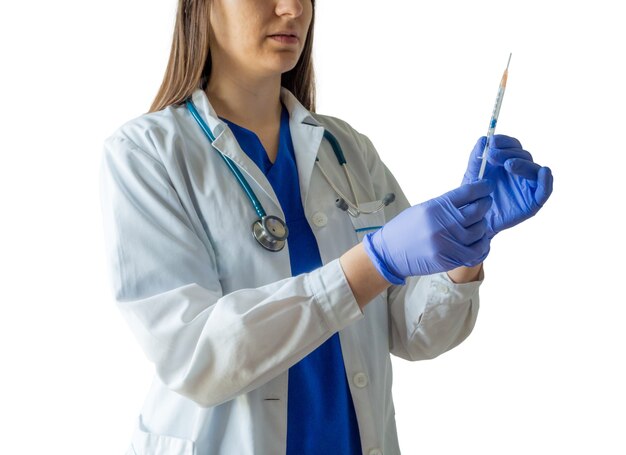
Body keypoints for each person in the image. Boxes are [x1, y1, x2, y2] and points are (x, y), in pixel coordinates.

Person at [99, 0, 553, 454]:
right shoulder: (147, 153)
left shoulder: (346, 148)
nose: (293, 7)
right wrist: (373, 263)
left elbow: (415, 334)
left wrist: (465, 251)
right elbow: (197, 358)